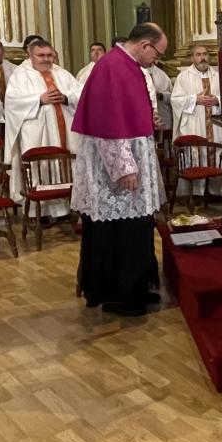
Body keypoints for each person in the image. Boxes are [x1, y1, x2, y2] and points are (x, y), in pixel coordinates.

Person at [71, 23, 168, 315]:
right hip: (116, 171)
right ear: (145, 46)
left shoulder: (128, 66)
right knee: (119, 231)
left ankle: (136, 287)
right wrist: (124, 167)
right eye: (158, 54)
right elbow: (107, 124)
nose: (157, 60)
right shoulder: (112, 67)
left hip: (133, 159)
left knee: (135, 227)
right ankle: (119, 294)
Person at [4, 40, 82, 219]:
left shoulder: (62, 73)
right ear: (30, 55)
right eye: (41, 55)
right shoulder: (20, 75)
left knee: (69, 164)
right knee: (42, 168)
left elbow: (81, 93)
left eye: (49, 55)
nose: (46, 59)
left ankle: (68, 207)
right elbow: (12, 102)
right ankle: (42, 213)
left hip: (66, 131)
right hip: (37, 132)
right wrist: (39, 99)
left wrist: (65, 97)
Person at [171, 43, 222, 197]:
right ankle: (196, 193)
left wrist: (217, 100)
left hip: (215, 123)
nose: (202, 58)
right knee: (196, 154)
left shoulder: (219, 76)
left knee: (216, 150)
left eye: (205, 54)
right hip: (194, 122)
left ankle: (216, 192)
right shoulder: (183, 77)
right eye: (198, 54)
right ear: (192, 57)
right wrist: (195, 99)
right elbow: (176, 100)